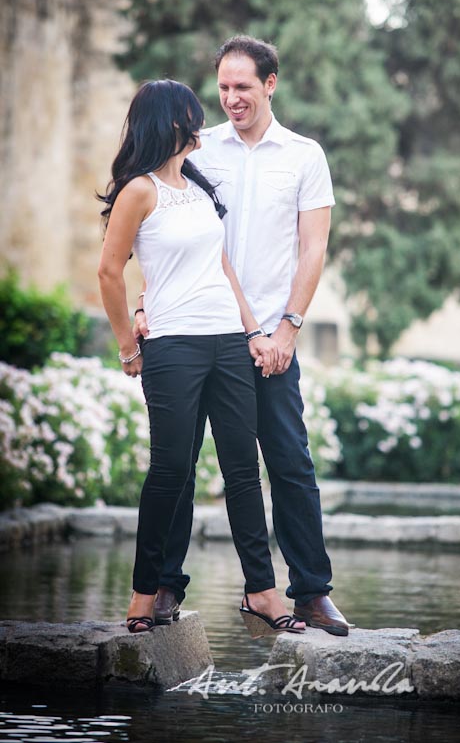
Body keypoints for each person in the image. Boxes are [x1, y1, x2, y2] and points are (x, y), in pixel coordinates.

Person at [135, 38, 352, 635]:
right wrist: (142, 303)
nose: (231, 99)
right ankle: (162, 589)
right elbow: (160, 230)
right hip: (201, 329)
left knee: (289, 463)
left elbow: (314, 247)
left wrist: (287, 328)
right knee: (176, 466)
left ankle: (309, 591)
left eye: (243, 88)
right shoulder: (197, 149)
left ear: (271, 83)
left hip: (273, 343)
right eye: (223, 88)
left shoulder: (305, 156)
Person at [97, 79, 306, 637]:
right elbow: (109, 271)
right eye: (191, 115)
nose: (200, 124)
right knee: (169, 471)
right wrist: (127, 344)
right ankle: (144, 596)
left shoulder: (196, 182)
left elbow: (223, 268)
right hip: (172, 347)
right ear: (168, 123)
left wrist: (253, 331)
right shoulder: (138, 191)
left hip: (226, 344)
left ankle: (262, 592)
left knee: (242, 471)